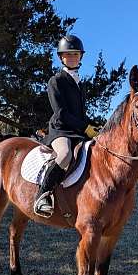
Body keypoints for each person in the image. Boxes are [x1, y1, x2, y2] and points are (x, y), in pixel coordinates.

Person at [34, 34, 99, 218]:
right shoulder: (56, 81)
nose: (72, 58)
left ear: (80, 57)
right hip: (61, 130)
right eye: (68, 54)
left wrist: (92, 126)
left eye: (75, 54)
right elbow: (60, 113)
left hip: (77, 131)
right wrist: (85, 127)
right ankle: (43, 195)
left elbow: (80, 114)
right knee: (65, 155)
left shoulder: (80, 84)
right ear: (61, 57)